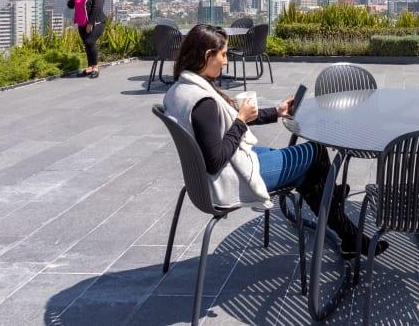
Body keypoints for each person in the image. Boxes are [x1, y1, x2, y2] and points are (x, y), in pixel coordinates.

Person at [162, 24, 386, 258]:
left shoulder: (182, 89)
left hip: (208, 178)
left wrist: (278, 112)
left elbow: (222, 126)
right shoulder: (204, 103)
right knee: (316, 152)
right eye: (224, 54)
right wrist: (240, 120)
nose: (226, 61)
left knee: (309, 173)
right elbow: (214, 160)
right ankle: (341, 219)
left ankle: (335, 210)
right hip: (228, 178)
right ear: (208, 55)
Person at [67, 0, 106, 78]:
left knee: (90, 42)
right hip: (81, 22)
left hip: (96, 22)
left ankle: (95, 67)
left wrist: (90, 23)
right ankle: (89, 67)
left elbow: (97, 9)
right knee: (87, 45)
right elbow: (70, 6)